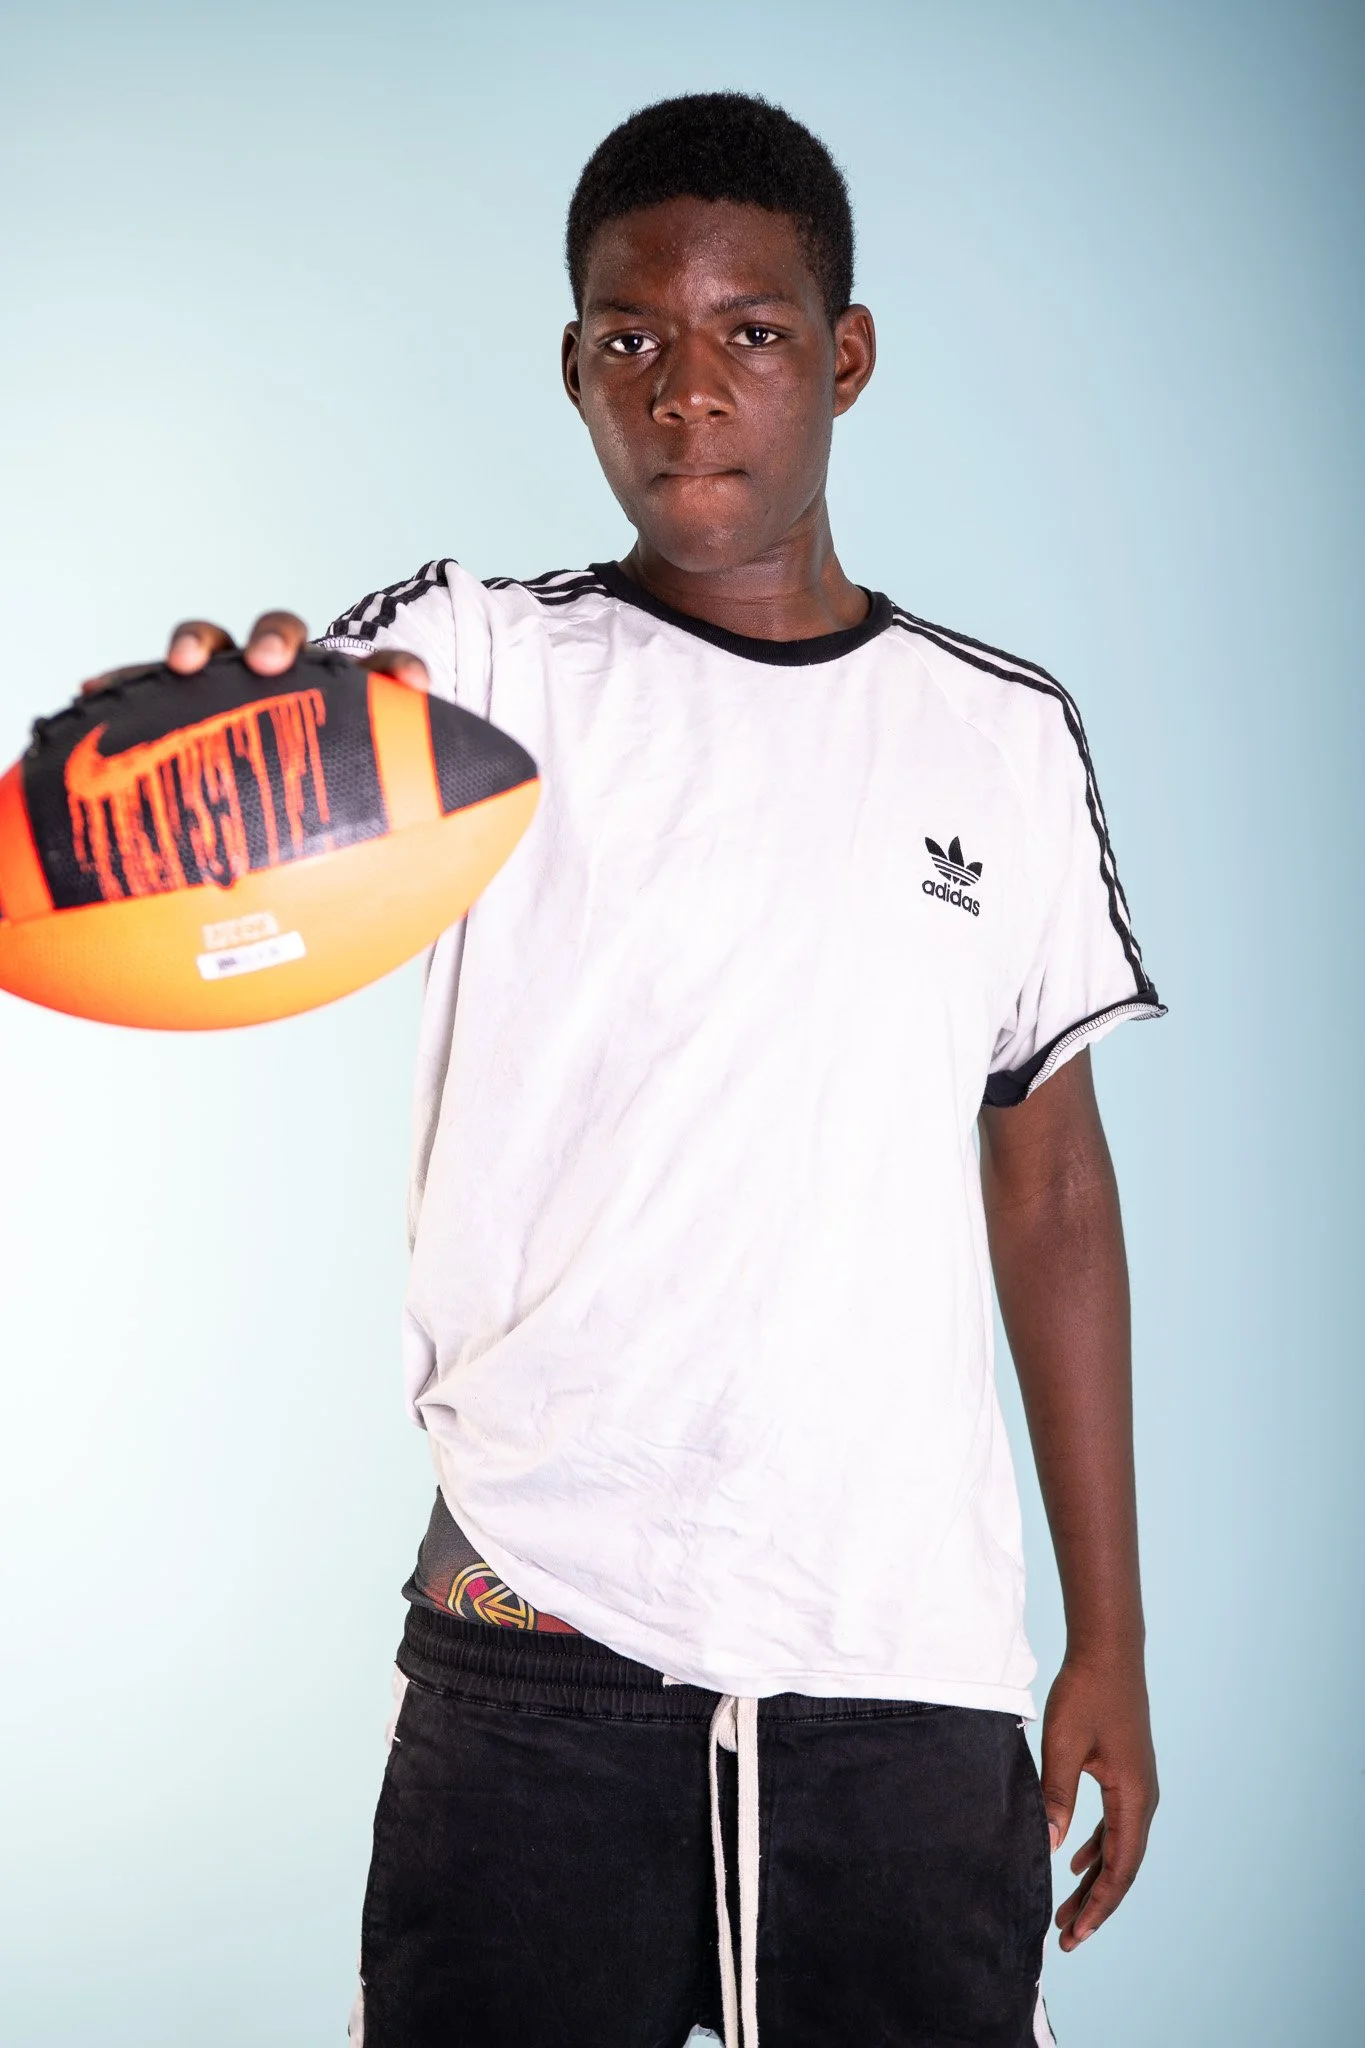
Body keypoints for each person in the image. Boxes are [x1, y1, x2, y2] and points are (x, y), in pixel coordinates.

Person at [122, 91, 1163, 2048]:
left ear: (842, 356)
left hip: (900, 1663)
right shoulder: (485, 666)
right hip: (541, 1640)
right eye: (630, 340)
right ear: (576, 371)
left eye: (749, 333)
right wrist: (226, 744)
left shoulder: (1000, 736)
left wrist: (1107, 1630)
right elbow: (265, 791)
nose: (688, 389)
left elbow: (1053, 1187)